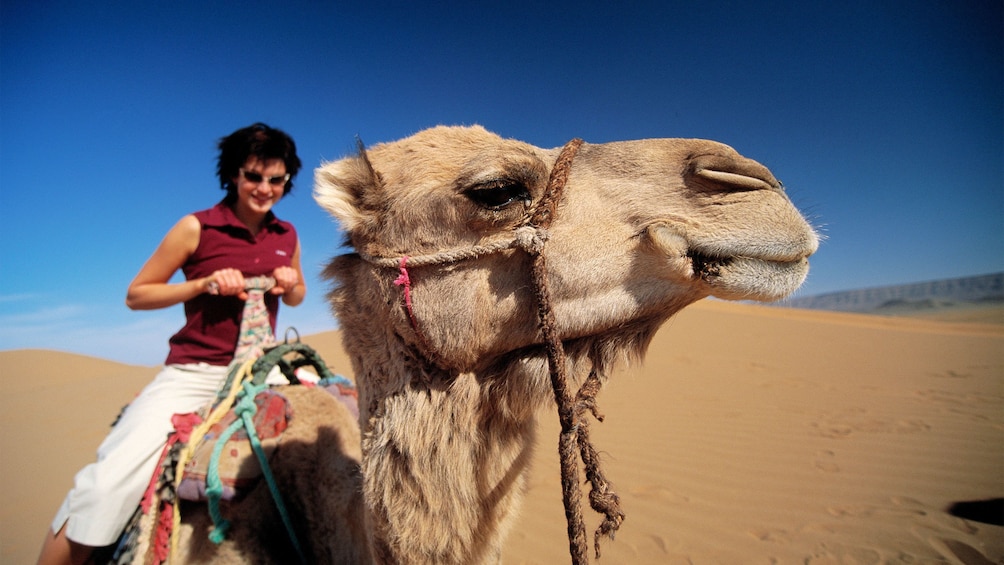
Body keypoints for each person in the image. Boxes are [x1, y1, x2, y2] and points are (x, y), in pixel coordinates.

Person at [37, 123, 306, 565]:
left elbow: (296, 298)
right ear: (234, 175)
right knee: (105, 487)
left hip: (264, 368)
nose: (264, 188)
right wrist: (202, 284)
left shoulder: (287, 235)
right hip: (196, 370)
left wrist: (291, 283)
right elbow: (137, 294)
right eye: (254, 176)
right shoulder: (196, 227)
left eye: (276, 179)